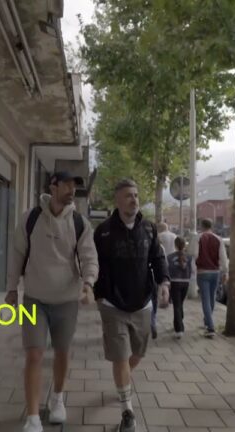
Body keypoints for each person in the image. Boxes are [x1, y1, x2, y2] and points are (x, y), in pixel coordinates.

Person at [5, 172, 99, 432]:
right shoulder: (31, 218)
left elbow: (89, 257)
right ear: (53, 186)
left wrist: (89, 284)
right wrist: (11, 289)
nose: (71, 190)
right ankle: (33, 416)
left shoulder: (79, 223)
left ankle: (57, 398)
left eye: (74, 186)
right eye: (67, 184)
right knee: (34, 353)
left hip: (67, 300)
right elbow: (17, 255)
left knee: (62, 352)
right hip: (34, 299)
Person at [94, 179, 170, 432]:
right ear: (117, 200)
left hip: (142, 303)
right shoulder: (103, 231)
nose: (134, 200)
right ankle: (127, 409)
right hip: (112, 303)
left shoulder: (148, 229)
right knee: (120, 356)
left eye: (136, 195)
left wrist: (164, 283)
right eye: (128, 195)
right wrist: (97, 294)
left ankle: (122, 382)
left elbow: (157, 258)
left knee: (136, 354)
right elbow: (93, 264)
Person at [188, 218, 228, 338]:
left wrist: (193, 269)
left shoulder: (198, 238)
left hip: (202, 272)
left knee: (205, 299)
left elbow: (193, 254)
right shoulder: (218, 239)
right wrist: (225, 271)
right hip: (215, 272)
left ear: (202, 226)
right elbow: (223, 257)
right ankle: (207, 321)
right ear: (211, 226)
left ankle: (210, 327)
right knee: (212, 297)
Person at [167, 237, 193, 339]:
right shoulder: (189, 257)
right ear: (184, 245)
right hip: (185, 282)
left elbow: (167, 270)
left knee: (177, 305)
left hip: (174, 282)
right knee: (180, 304)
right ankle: (179, 321)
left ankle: (179, 329)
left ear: (175, 245)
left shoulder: (169, 257)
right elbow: (191, 270)